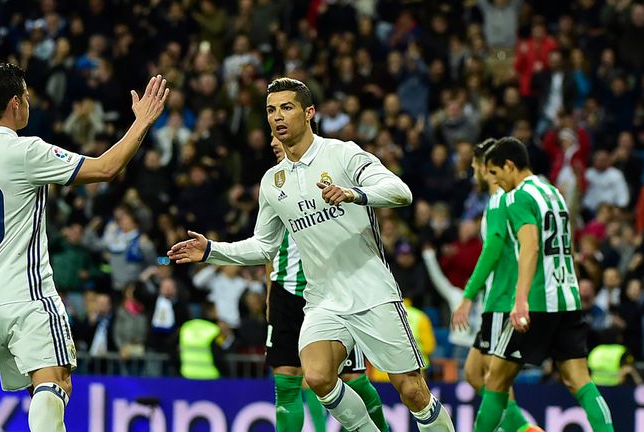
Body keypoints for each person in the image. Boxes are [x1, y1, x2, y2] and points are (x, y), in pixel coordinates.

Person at [169, 78, 454, 431]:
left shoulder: (342, 153)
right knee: (318, 376)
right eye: (271, 110)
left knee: (412, 390)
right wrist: (211, 250)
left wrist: (354, 194)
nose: (277, 117)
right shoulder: (273, 183)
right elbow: (264, 246)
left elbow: (400, 191)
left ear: (309, 113)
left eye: (286, 108)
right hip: (322, 300)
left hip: (371, 292)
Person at [0, 63, 169, 432]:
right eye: (25, 97)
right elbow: (106, 169)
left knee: (41, 393)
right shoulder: (26, 151)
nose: (29, 103)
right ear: (15, 103)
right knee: (56, 382)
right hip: (27, 296)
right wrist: (142, 123)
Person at [474, 137, 614, 431]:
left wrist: (521, 299)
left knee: (495, 380)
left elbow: (530, 248)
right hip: (568, 298)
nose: (497, 183)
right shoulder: (553, 193)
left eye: (497, 174)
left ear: (510, 166)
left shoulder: (518, 197)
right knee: (580, 381)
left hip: (537, 301)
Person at [265, 134, 389, 432]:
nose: (273, 141)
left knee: (353, 380)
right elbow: (266, 245)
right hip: (286, 291)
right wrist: (270, 293)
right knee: (287, 384)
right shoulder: (270, 186)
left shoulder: (329, 173)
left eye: (279, 135)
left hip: (333, 293)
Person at [451, 139, 542, 432]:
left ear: (482, 166)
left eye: (476, 168)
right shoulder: (499, 200)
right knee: (474, 373)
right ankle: (519, 427)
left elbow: (492, 250)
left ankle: (523, 430)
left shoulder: (500, 201)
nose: (475, 174)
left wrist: (468, 296)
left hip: (503, 299)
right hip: (495, 298)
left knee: (494, 376)